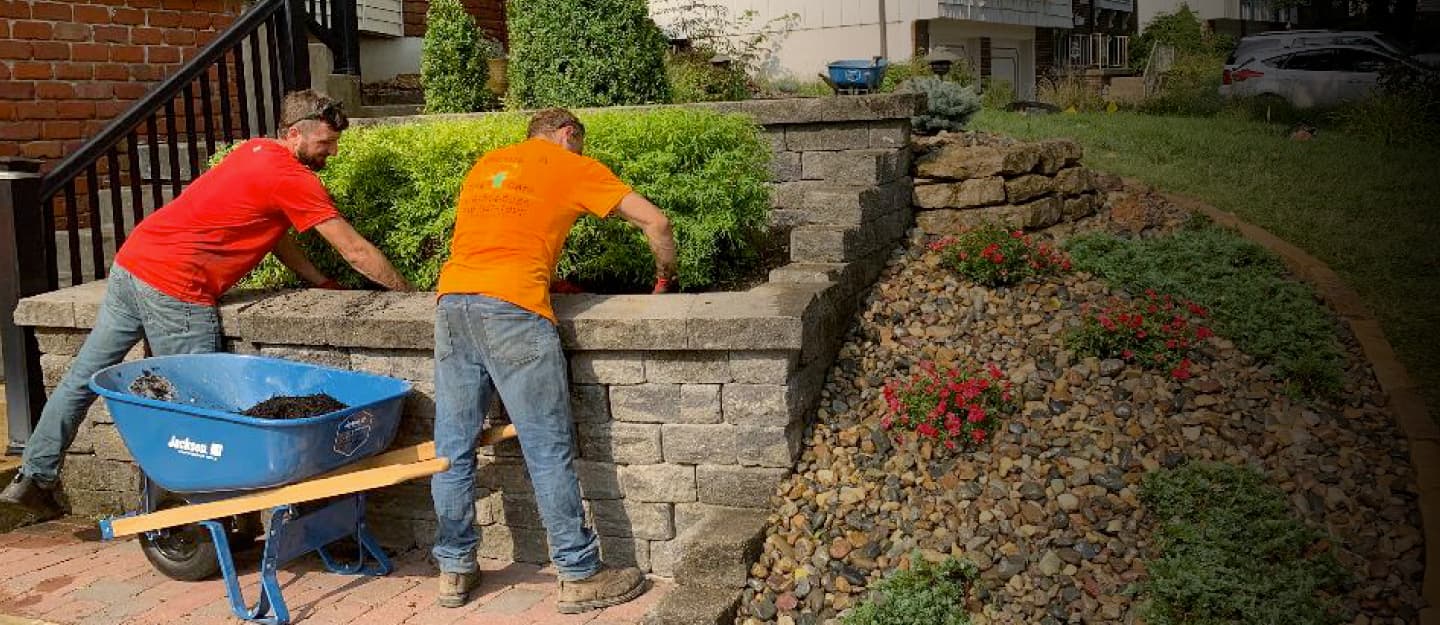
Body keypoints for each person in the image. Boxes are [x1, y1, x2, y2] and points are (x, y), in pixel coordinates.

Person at [0, 90, 414, 516]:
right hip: (176, 286)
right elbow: (356, 251)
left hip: (133, 264)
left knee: (83, 378)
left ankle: (34, 476)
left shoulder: (254, 151)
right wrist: (408, 297)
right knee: (199, 407)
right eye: (325, 144)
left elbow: (276, 234)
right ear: (294, 134)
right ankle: (188, 508)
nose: (332, 152)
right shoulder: (291, 177)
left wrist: (319, 281)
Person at [429, 108, 677, 613]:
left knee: (453, 448)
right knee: (547, 448)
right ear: (567, 135)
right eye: (580, 144)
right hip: (515, 310)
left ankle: (454, 569)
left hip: (453, 302)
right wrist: (666, 277)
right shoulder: (570, 165)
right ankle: (579, 572)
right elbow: (656, 220)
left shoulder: (488, 163)